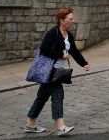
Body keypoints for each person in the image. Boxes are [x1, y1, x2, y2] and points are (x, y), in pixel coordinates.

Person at [24, 7, 90, 136]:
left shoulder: (68, 35)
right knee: (58, 94)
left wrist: (84, 63)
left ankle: (30, 124)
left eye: (72, 18)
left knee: (41, 98)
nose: (73, 21)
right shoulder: (53, 33)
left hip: (56, 71)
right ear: (62, 20)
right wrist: (60, 55)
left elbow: (74, 52)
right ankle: (61, 127)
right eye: (70, 19)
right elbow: (44, 49)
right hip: (50, 71)